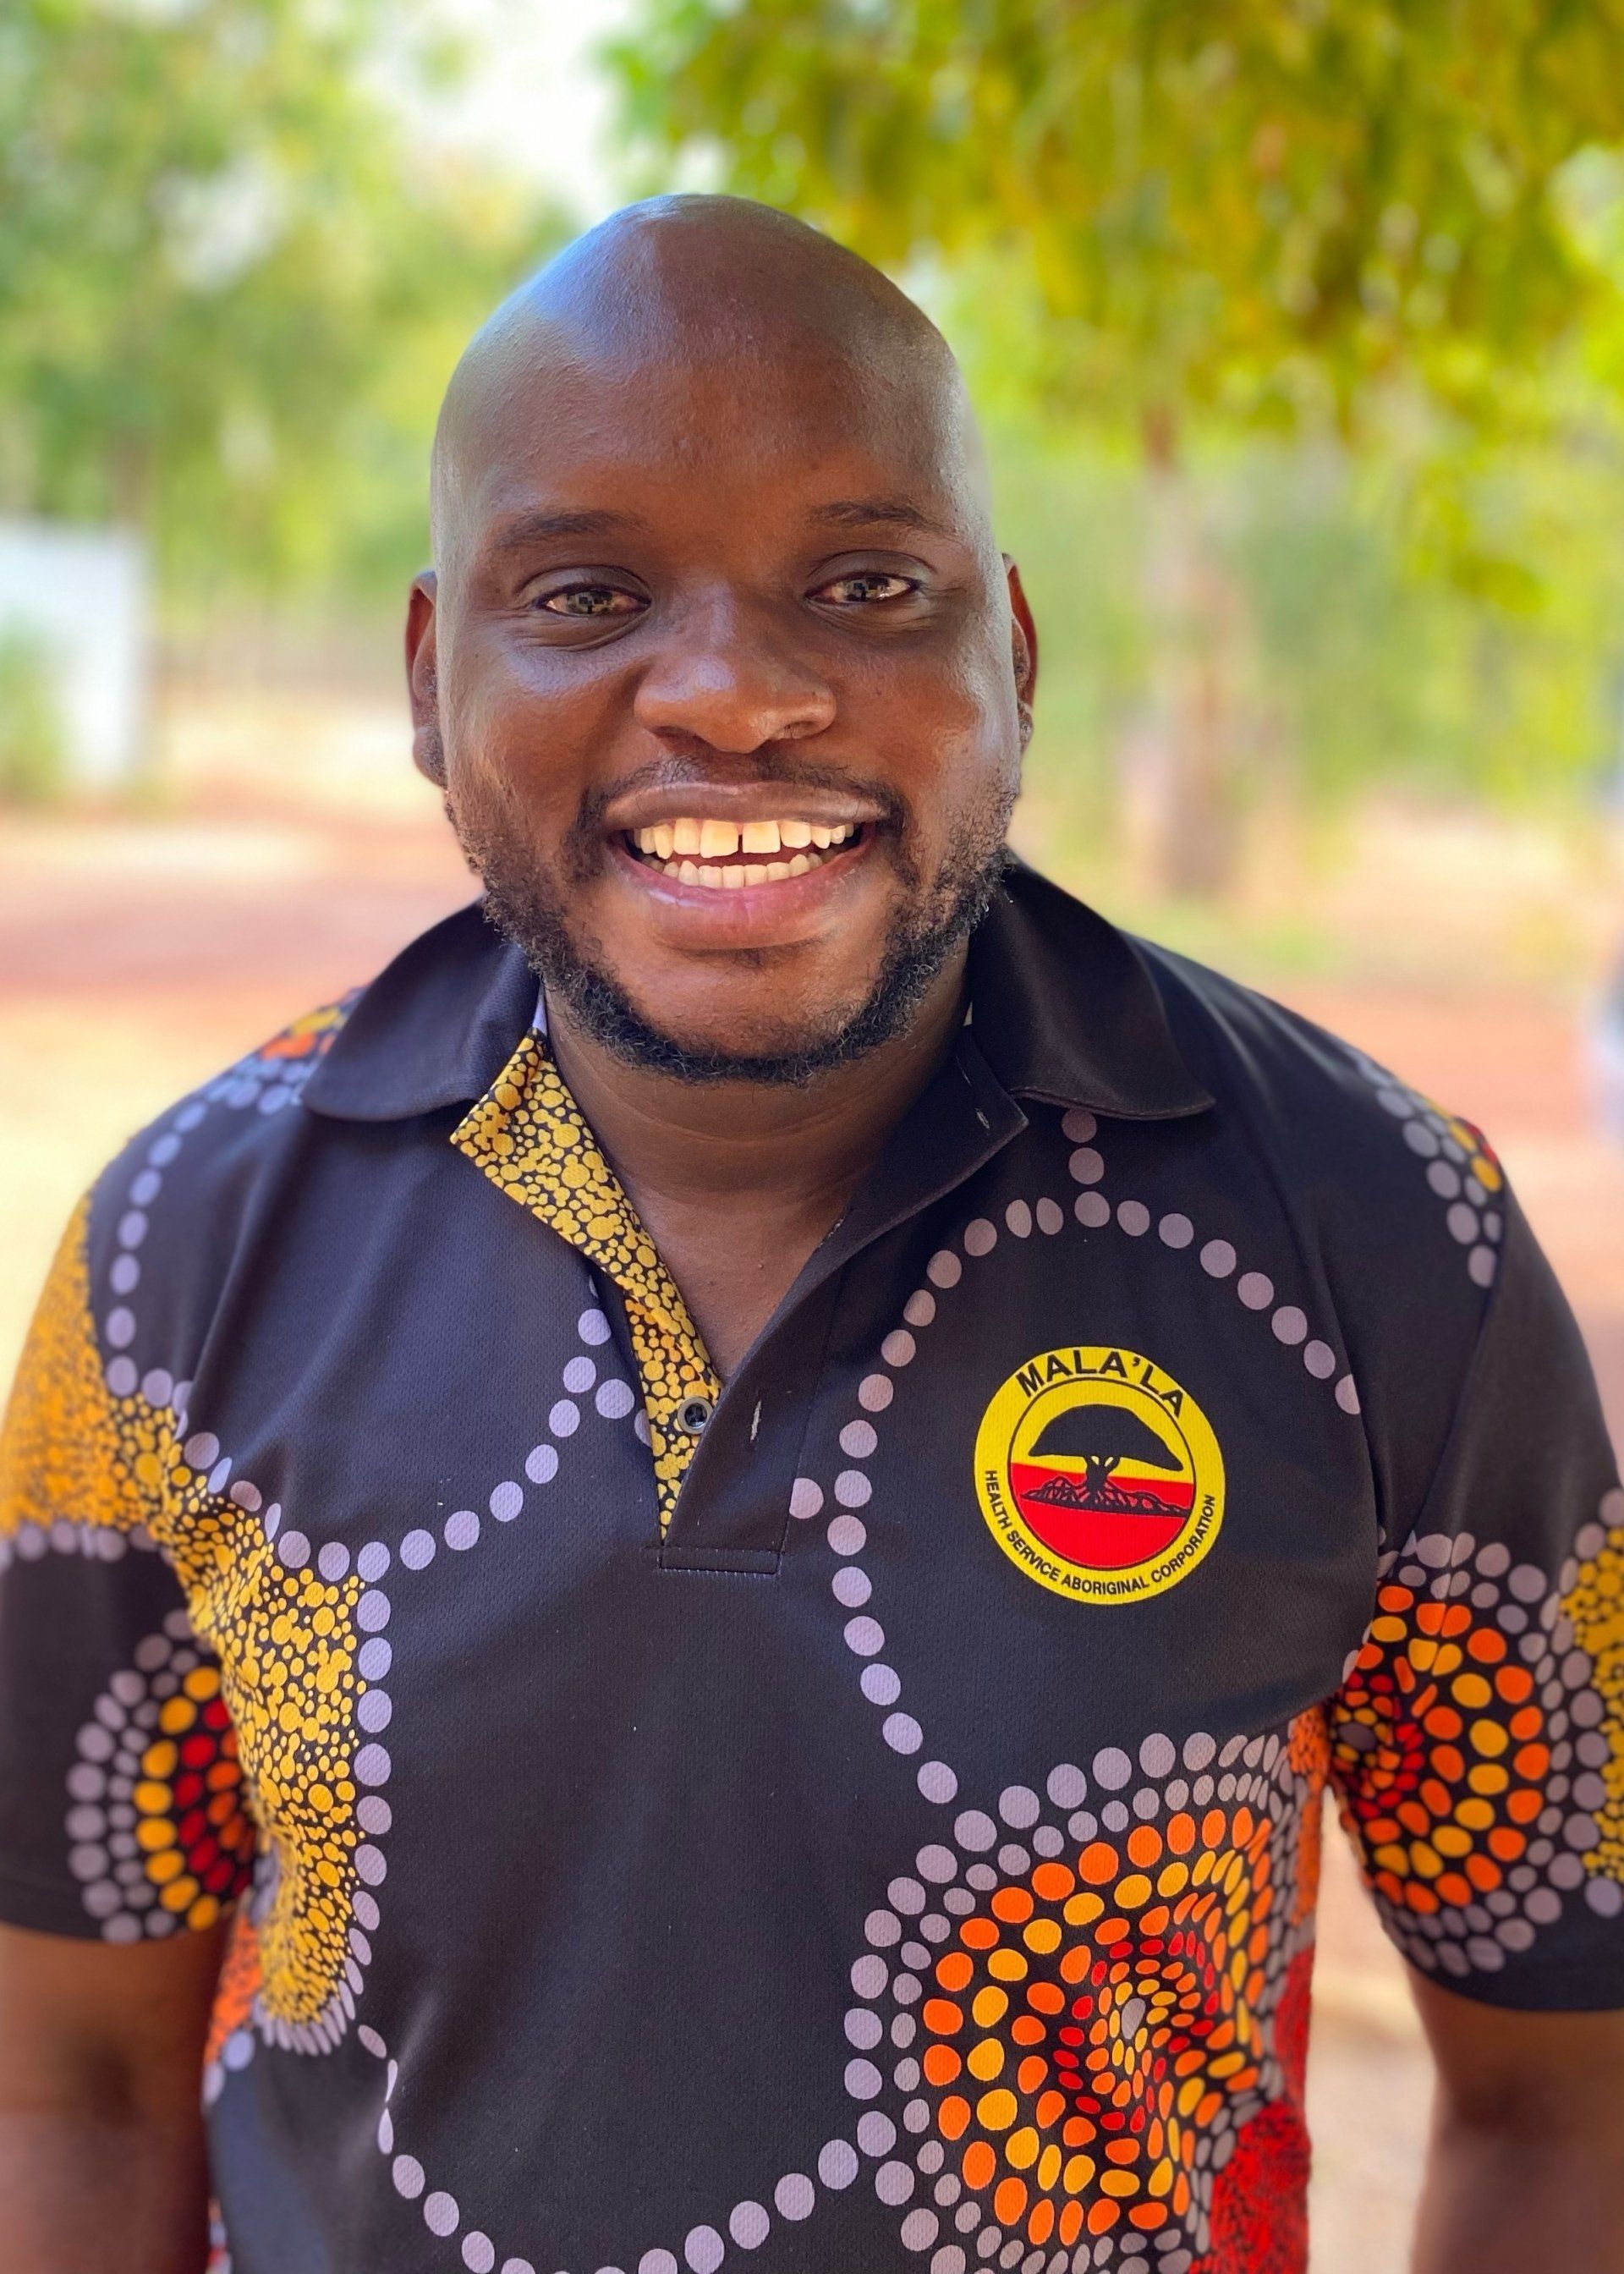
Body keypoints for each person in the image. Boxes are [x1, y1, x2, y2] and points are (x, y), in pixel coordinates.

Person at [1, 196, 1621, 2274]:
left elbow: (1569, 2103)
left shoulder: (1380, 1238)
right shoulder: (183, 1255)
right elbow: (73, 2083)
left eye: (865, 585)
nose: (736, 696)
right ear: (429, 678)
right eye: (585, 594)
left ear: (1009, 656)